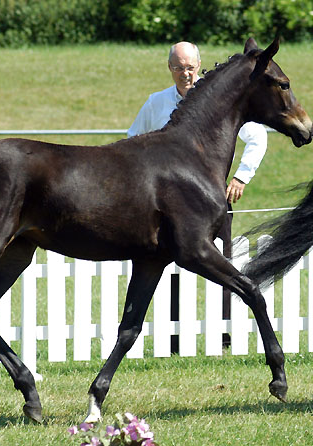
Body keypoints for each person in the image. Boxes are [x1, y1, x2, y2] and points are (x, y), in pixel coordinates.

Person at [127, 41, 268, 348]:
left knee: (224, 264)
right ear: (170, 69)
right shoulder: (156, 102)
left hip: (212, 201)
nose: (185, 74)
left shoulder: (218, 103)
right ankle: (177, 336)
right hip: (165, 208)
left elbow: (257, 138)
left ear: (199, 67)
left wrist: (241, 177)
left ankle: (226, 333)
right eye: (179, 68)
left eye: (190, 68)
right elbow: (131, 140)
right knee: (170, 266)